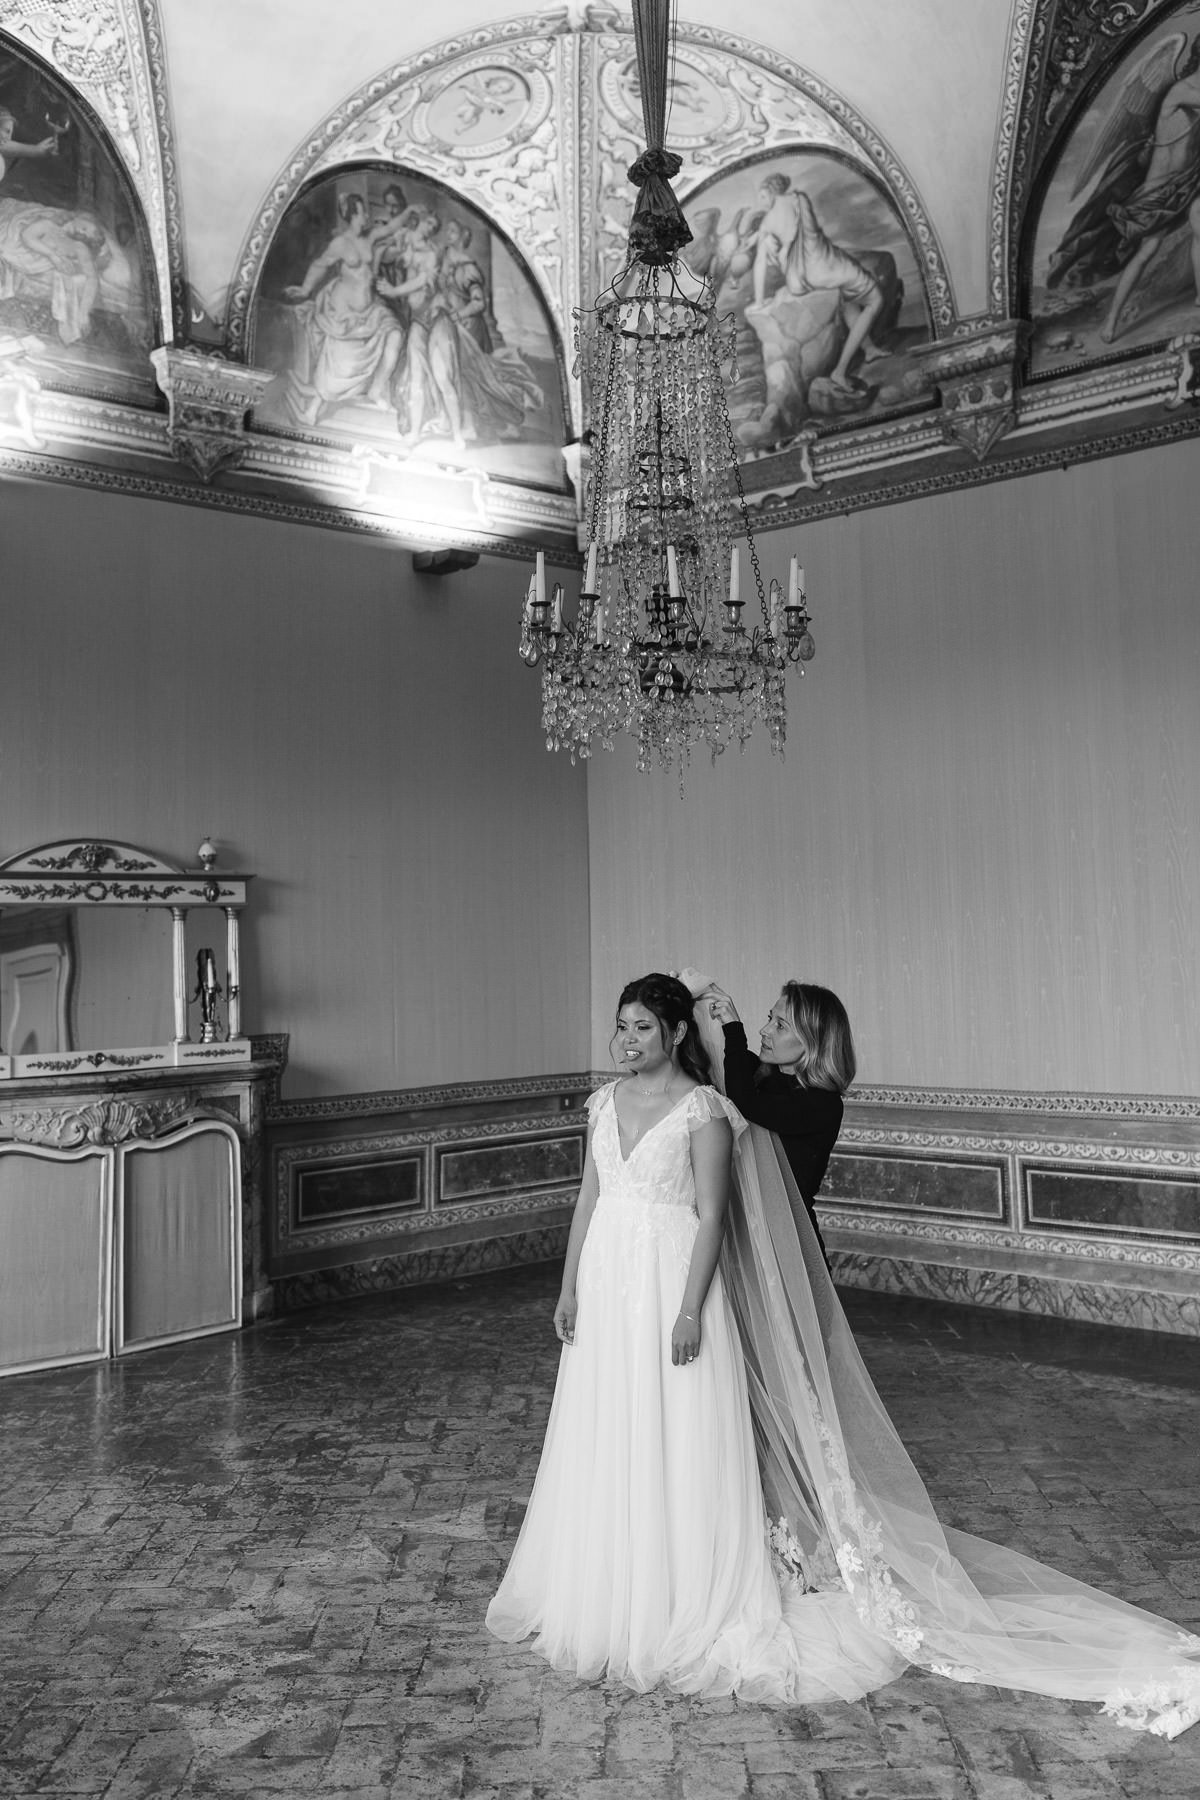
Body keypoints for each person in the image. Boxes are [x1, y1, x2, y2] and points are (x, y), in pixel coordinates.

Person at [487, 968, 1200, 1734]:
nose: (625, 1040)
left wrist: (717, 1024)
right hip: (617, 1275)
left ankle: (761, 1546)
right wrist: (568, 1288)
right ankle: (634, 1564)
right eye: (619, 1026)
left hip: (725, 1277)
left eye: (641, 1026)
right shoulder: (629, 1101)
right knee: (623, 1422)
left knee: (754, 1418)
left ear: (674, 1035)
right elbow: (592, 1195)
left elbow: (736, 1142)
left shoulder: (781, 1104)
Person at [705, 978, 848, 1266]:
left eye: (780, 1025)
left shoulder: (823, 1103)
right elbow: (709, 1059)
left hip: (789, 1243)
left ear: (813, 1040)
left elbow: (746, 1102)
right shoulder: (762, 1075)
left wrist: (733, 1026)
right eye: (770, 1018)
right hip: (745, 1234)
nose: (765, 1030)